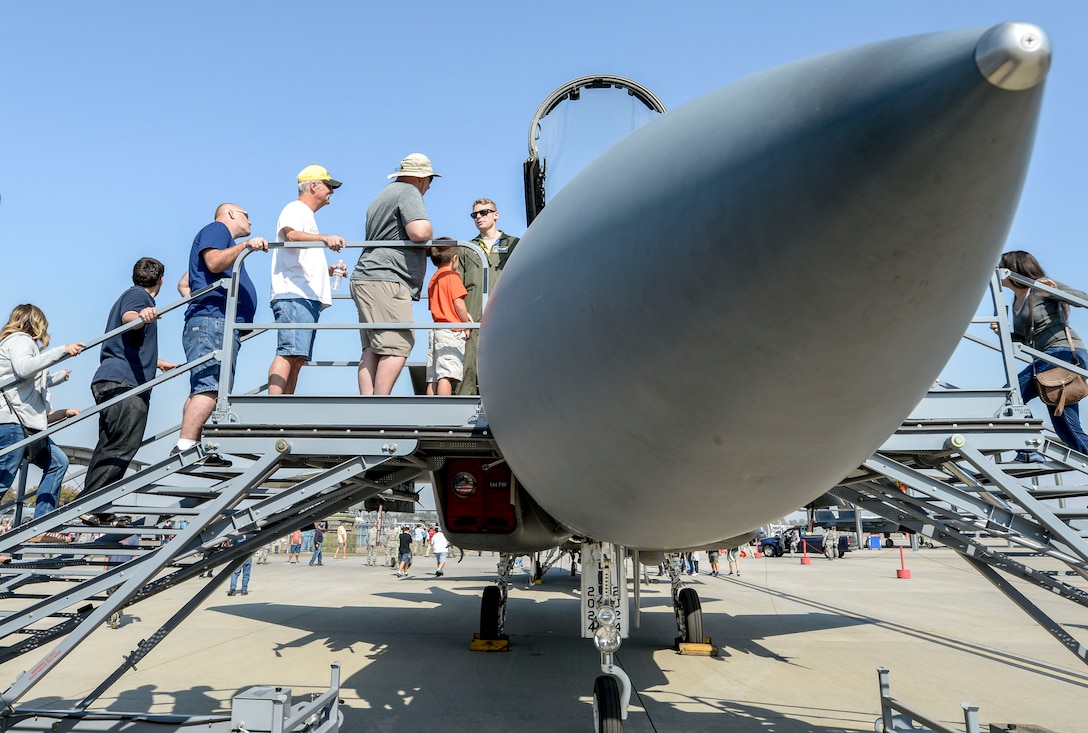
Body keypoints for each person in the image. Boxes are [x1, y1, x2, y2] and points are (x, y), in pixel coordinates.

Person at [173, 204, 268, 466]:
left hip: (212, 321)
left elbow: (184, 283)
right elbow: (213, 263)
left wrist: (200, 300)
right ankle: (185, 447)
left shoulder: (223, 241)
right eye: (247, 215)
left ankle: (195, 445)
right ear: (231, 214)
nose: (251, 221)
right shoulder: (217, 230)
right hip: (212, 322)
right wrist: (247, 246)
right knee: (210, 387)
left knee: (205, 387)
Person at [84, 258, 177, 522]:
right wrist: (141, 317)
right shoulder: (139, 297)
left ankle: (96, 506)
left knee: (111, 444)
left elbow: (123, 340)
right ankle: (90, 504)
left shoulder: (129, 294)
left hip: (113, 377)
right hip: (125, 383)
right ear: (161, 280)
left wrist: (155, 362)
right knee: (124, 444)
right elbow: (130, 319)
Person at [350, 153, 439, 395]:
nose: (429, 186)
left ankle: (368, 406)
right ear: (421, 178)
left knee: (372, 348)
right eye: (430, 180)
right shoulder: (409, 192)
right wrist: (431, 231)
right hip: (387, 278)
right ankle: (380, 405)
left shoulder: (382, 195)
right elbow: (419, 231)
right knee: (398, 345)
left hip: (368, 277)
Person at [997, 251, 1088, 456]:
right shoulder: (1016, 300)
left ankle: (1028, 451)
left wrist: (1054, 292)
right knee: (1069, 431)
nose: (998, 270)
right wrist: (1004, 333)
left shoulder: (1041, 284)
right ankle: (1028, 450)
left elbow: (1083, 299)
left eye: (1001, 265)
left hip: (1062, 354)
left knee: (1010, 396)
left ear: (1014, 268)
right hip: (1044, 359)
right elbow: (1026, 339)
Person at [266, 165, 347, 395]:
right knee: (289, 352)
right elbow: (290, 236)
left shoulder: (306, 215)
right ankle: (274, 408)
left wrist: (328, 270)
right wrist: (324, 238)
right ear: (313, 186)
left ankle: (284, 408)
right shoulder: (295, 209)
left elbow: (299, 251)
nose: (331, 191)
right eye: (328, 186)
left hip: (304, 295)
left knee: (297, 357)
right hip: (294, 293)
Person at [0, 304, 84, 520]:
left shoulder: (16, 342)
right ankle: (39, 523)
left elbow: (28, 378)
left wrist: (57, 376)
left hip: (23, 421)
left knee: (58, 462)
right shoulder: (20, 340)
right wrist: (61, 351)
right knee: (2, 480)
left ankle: (41, 523)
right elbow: (24, 368)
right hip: (14, 421)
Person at [457, 198, 520, 395]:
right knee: (468, 362)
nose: (478, 217)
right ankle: (463, 409)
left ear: (496, 214)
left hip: (505, 313)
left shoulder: (514, 244)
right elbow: (457, 284)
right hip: (472, 313)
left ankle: (507, 402)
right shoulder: (466, 248)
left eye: (484, 212)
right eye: (475, 214)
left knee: (506, 359)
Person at [425, 246, 471, 395]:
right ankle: (443, 410)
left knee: (433, 376)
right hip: (451, 330)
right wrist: (466, 323)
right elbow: (458, 303)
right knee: (446, 374)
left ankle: (430, 409)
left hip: (437, 328)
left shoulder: (434, 278)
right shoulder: (452, 276)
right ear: (455, 258)